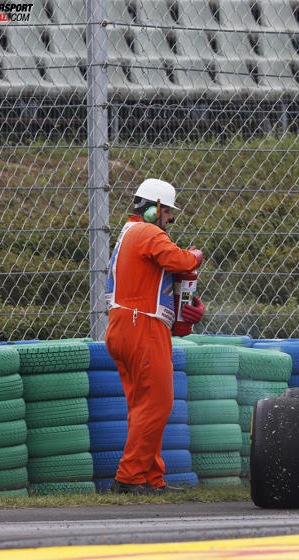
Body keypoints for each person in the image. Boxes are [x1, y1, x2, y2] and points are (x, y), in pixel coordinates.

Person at [105, 178, 205, 495]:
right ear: (155, 210)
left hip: (125, 325)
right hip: (142, 327)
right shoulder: (148, 232)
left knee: (144, 406)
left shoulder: (129, 233)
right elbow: (180, 260)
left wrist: (183, 309)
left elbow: (156, 278)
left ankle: (151, 478)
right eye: (168, 213)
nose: (171, 219)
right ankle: (129, 478)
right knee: (158, 405)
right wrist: (195, 256)